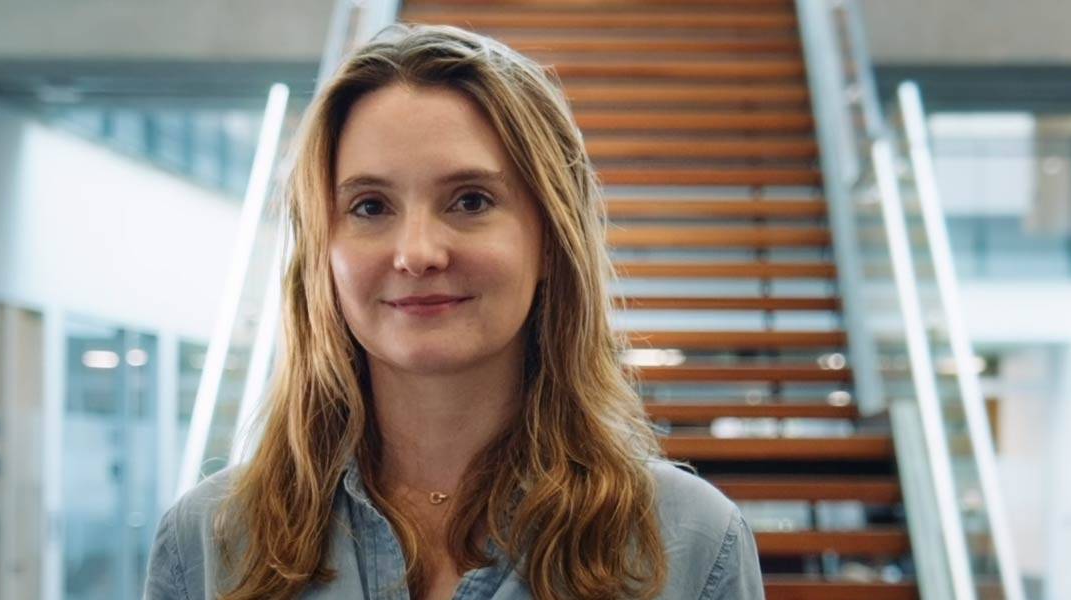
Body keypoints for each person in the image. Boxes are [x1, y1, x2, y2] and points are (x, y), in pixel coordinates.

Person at [144, 24, 764, 600]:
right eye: (369, 206)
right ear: (323, 252)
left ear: (549, 239)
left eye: (470, 200)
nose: (416, 253)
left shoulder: (692, 544)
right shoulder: (208, 543)